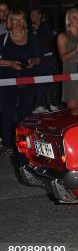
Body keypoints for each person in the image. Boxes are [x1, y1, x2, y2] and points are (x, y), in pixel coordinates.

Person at [0, 10, 40, 154]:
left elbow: (38, 57)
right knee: (8, 113)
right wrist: (10, 63)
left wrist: (33, 61)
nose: (18, 23)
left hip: (28, 79)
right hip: (8, 80)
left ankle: (24, 143)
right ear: (10, 22)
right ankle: (7, 144)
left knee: (26, 113)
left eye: (21, 20)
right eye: (15, 20)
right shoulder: (3, 38)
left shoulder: (32, 38)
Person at [30, 8, 60, 113]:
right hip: (37, 63)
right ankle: (41, 104)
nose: (31, 17)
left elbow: (50, 46)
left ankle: (52, 104)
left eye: (34, 14)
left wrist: (42, 58)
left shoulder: (46, 27)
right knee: (39, 82)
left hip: (49, 62)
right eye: (31, 15)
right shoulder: (30, 30)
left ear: (40, 16)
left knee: (50, 83)